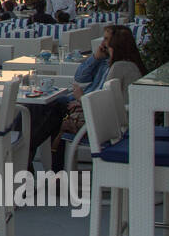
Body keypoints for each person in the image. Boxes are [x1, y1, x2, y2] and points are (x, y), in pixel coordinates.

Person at [48, 26, 117, 168]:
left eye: (106, 39)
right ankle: (33, 154)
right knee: (43, 109)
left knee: (53, 110)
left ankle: (28, 151)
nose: (102, 43)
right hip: (83, 106)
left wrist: (81, 99)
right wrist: (95, 58)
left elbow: (104, 99)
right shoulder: (104, 62)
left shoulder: (117, 68)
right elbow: (80, 77)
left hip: (91, 114)